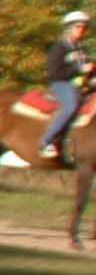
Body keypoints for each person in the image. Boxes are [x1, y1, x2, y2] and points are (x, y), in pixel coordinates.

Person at [45, 10, 91, 171]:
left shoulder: (82, 49)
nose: (81, 31)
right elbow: (53, 72)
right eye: (78, 27)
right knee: (70, 106)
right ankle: (47, 141)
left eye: (83, 28)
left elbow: (88, 70)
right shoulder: (59, 48)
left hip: (80, 85)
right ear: (69, 28)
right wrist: (79, 69)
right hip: (60, 84)